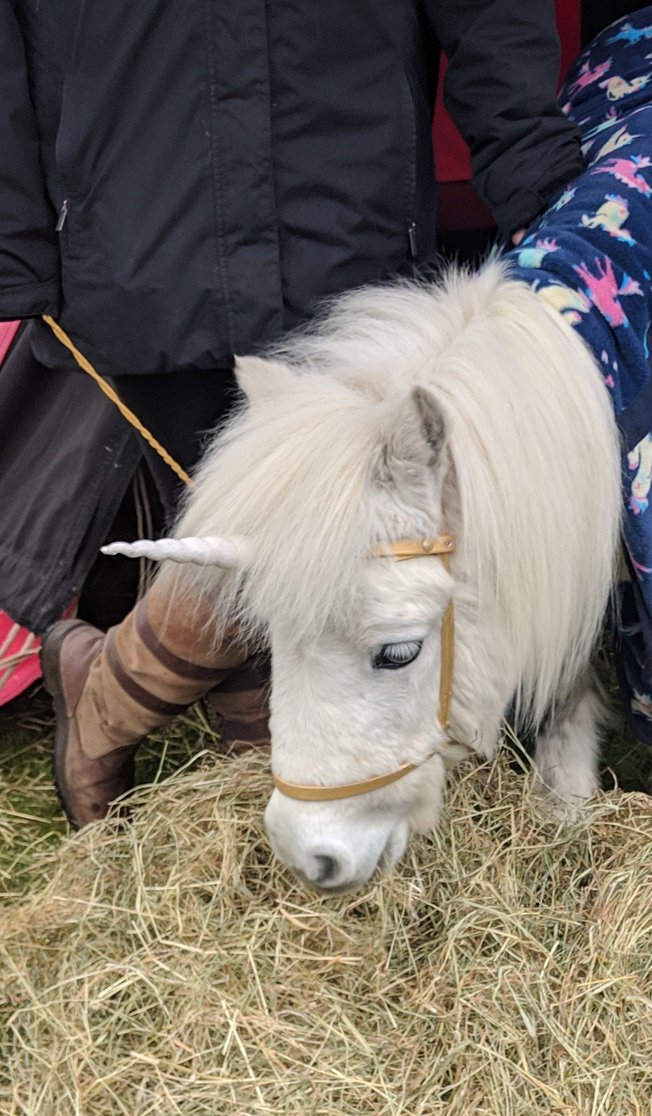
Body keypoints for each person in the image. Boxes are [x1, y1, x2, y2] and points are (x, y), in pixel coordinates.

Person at [0, 0, 584, 827]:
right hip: (136, 210)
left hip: (343, 208)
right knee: (227, 535)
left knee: (342, 541)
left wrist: (534, 171)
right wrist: (13, 237)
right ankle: (129, 728)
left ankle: (132, 703)